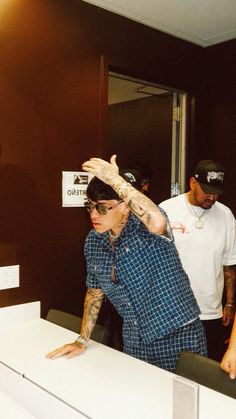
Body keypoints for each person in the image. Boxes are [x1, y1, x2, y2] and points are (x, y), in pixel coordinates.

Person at [46, 155, 207, 373]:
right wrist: (82, 340)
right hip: (135, 337)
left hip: (176, 335)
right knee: (139, 397)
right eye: (90, 206)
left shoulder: (145, 227)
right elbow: (95, 292)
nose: (93, 214)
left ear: (124, 207)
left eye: (102, 208)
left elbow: (157, 222)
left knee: (181, 402)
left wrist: (115, 180)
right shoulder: (94, 240)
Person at [160, 159, 236, 362]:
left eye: (216, 192)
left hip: (210, 311)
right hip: (172, 309)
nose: (212, 197)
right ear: (192, 183)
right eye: (207, 191)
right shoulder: (167, 209)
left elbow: (229, 266)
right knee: (172, 369)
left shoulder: (226, 215)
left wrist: (229, 304)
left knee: (207, 372)